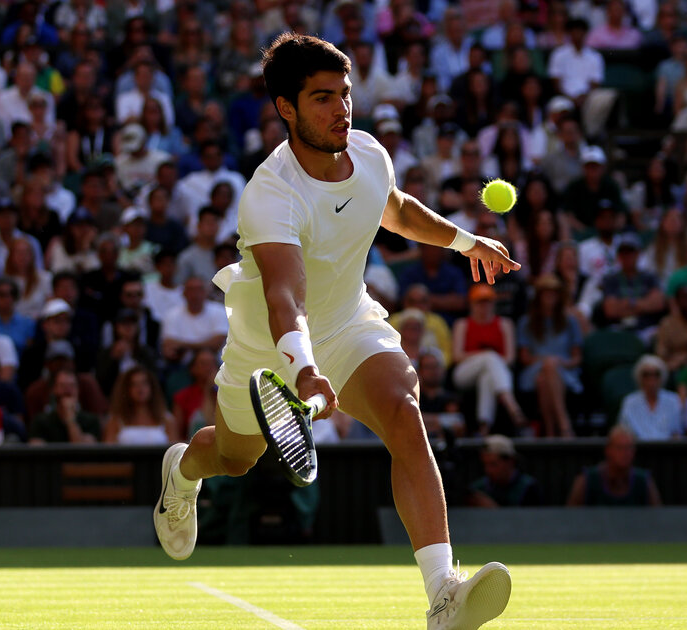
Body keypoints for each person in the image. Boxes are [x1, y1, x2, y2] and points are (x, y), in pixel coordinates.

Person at [154, 35, 518, 628]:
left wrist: (465, 241)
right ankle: (181, 470)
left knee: (404, 411)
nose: (340, 109)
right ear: (286, 109)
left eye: (344, 95)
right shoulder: (270, 194)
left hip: (349, 321)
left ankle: (443, 595)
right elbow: (283, 296)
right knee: (233, 457)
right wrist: (302, 371)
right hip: (267, 344)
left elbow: (394, 208)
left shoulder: (370, 153)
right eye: (321, 98)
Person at [451, 284, 527, 433]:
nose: (483, 307)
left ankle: (484, 427)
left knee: (487, 377)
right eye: (479, 302)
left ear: (493, 303)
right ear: (471, 304)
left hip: (494, 371)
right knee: (490, 357)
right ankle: (512, 406)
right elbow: (457, 356)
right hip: (465, 372)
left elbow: (510, 358)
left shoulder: (505, 324)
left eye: (487, 302)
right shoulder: (462, 324)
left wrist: (488, 359)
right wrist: (485, 355)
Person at [517, 275, 582, 438]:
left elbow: (577, 358)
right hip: (535, 370)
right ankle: (564, 425)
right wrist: (545, 361)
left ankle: (551, 432)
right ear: (539, 297)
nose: (550, 297)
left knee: (546, 375)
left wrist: (559, 362)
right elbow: (524, 358)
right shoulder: (526, 322)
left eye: (554, 293)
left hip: (564, 371)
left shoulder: (570, 321)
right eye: (546, 293)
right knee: (546, 371)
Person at [567, 426, 662, 506]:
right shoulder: (586, 482)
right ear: (608, 450)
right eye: (619, 448)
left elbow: (659, 520)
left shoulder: (644, 483)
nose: (625, 453)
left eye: (628, 448)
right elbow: (569, 520)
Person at [159, 276, 228, 366]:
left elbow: (216, 344)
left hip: (214, 363)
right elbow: (168, 345)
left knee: (205, 357)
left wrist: (183, 345)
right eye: (191, 290)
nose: (195, 294)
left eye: (199, 289)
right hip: (181, 364)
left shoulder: (219, 311)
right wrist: (204, 344)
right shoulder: (172, 314)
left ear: (205, 292)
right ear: (184, 293)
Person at [618, 355, 683, 440]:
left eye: (656, 374)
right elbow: (625, 432)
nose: (651, 379)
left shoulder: (673, 400)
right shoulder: (629, 402)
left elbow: (676, 433)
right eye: (646, 375)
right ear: (639, 377)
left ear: (662, 377)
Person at [104, 366, 175, 445]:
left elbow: (175, 452)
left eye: (144, 383)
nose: (140, 388)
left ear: (152, 387)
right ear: (126, 389)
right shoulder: (116, 420)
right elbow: (108, 450)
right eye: (134, 384)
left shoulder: (167, 419)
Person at [468, 435, 543, 508]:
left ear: (510, 462)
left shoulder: (529, 488)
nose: (487, 470)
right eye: (485, 464)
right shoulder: (478, 489)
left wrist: (493, 509)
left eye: (493, 464)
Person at [29, 368, 99, 444]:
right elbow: (36, 452)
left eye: (72, 385)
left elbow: (85, 452)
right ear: (54, 389)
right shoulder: (41, 421)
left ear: (78, 390)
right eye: (63, 385)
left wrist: (70, 419)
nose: (67, 390)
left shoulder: (91, 421)